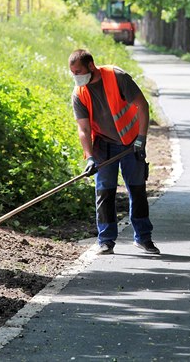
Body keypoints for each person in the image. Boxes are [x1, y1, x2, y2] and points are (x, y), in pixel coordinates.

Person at [68, 49, 159, 255]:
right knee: (104, 192)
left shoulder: (117, 77)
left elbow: (142, 106)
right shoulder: (79, 93)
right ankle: (106, 240)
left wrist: (141, 139)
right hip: (103, 146)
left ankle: (143, 238)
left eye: (79, 71)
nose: (76, 76)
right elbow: (83, 129)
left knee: (137, 190)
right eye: (72, 72)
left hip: (131, 143)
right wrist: (90, 157)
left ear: (91, 66)